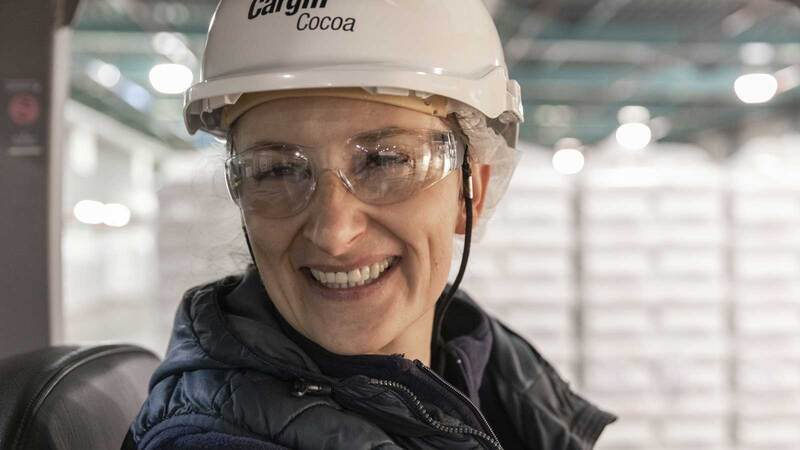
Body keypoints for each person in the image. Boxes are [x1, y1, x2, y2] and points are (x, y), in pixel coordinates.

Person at [124, 1, 616, 449]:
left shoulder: (486, 364)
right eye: (277, 169)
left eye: (385, 162)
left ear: (471, 193)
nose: (334, 234)